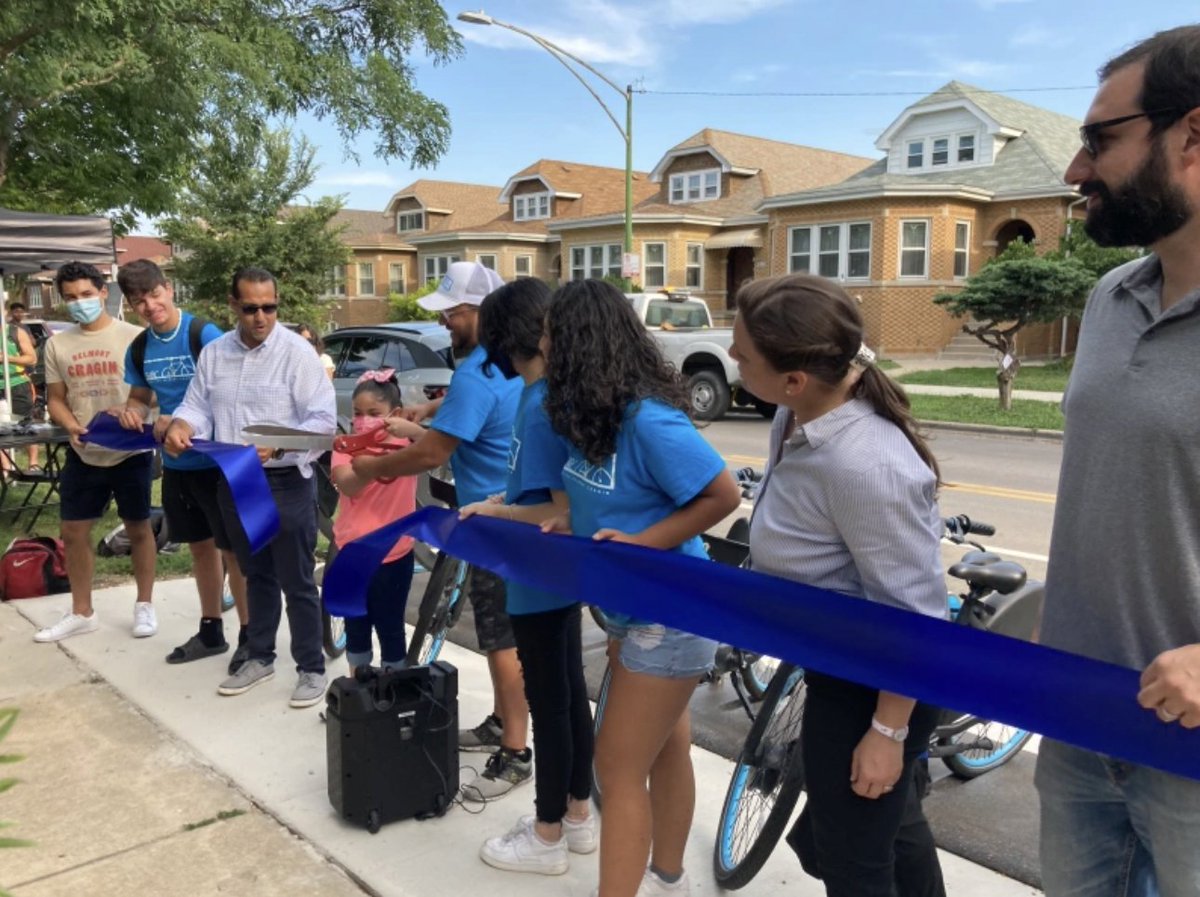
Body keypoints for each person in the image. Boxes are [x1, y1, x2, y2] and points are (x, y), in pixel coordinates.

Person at [1034, 26, 1200, 897]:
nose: (1075, 170)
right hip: (1075, 721)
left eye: (1101, 139)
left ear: (1193, 136)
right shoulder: (1110, 296)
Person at [730, 273, 946, 897]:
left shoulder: (866, 464)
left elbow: (916, 620)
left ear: (794, 377)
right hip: (836, 663)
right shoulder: (796, 415)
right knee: (892, 830)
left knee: (852, 860)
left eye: (743, 357)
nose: (734, 363)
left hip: (875, 684)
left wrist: (888, 734)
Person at [539, 279, 740, 897]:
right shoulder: (590, 416)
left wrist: (641, 545)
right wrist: (563, 524)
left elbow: (723, 495)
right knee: (664, 747)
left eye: (550, 331)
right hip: (629, 614)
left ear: (577, 343)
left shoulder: (649, 420)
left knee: (616, 770)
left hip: (671, 613)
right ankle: (670, 879)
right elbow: (608, 504)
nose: (540, 342)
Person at [350, 260, 531, 800]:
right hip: (512, 513)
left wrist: (370, 468)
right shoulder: (498, 365)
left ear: (483, 312)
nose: (446, 322)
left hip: (497, 523)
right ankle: (502, 722)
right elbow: (466, 406)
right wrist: (427, 408)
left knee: (501, 638)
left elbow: (432, 453)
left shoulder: (479, 372)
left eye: (454, 312)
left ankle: (516, 752)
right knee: (507, 632)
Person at [458, 278, 597, 876]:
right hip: (551, 575)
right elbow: (537, 490)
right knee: (568, 695)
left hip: (538, 575)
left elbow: (559, 513)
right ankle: (578, 816)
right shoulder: (544, 396)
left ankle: (546, 836)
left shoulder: (541, 405)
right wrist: (505, 495)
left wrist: (496, 511)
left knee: (552, 703)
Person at [164, 267, 337, 709]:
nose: (261, 316)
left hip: (285, 483)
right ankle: (259, 656)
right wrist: (183, 424)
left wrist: (276, 446)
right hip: (234, 479)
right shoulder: (216, 353)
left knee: (297, 580)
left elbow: (321, 424)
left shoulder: (298, 354)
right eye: (250, 308)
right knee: (255, 574)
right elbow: (198, 404)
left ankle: (311, 668)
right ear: (233, 305)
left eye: (269, 307)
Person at [112, 259, 250, 668]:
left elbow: (233, 391)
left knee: (233, 552)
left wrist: (184, 420)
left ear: (168, 289)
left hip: (218, 462)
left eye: (155, 295)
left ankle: (250, 635)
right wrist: (132, 411)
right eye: (140, 302)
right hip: (177, 466)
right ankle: (211, 631)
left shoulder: (201, 333)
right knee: (200, 549)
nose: (151, 306)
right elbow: (140, 395)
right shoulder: (140, 346)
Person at [34, 261, 157, 643]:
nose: (79, 303)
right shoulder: (57, 343)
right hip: (84, 451)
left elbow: (151, 393)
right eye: (70, 297)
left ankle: (145, 606)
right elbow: (55, 398)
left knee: (138, 527)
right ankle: (82, 611)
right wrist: (71, 426)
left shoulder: (137, 336)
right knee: (73, 531)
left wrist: (134, 413)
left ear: (104, 293)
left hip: (130, 451)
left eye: (86, 295)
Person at [329, 369, 423, 674]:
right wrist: (368, 459)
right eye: (358, 413)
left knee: (391, 627)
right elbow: (348, 485)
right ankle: (359, 692)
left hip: (394, 555)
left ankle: (392, 694)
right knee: (356, 626)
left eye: (374, 413)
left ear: (393, 414)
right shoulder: (345, 447)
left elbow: (441, 448)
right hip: (352, 553)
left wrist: (412, 429)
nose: (364, 420)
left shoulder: (409, 445)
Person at [0, 314, 40, 477]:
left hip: (17, 385)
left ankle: (34, 464)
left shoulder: (15, 332)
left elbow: (32, 358)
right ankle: (6, 466)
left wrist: (6, 358)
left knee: (25, 425)